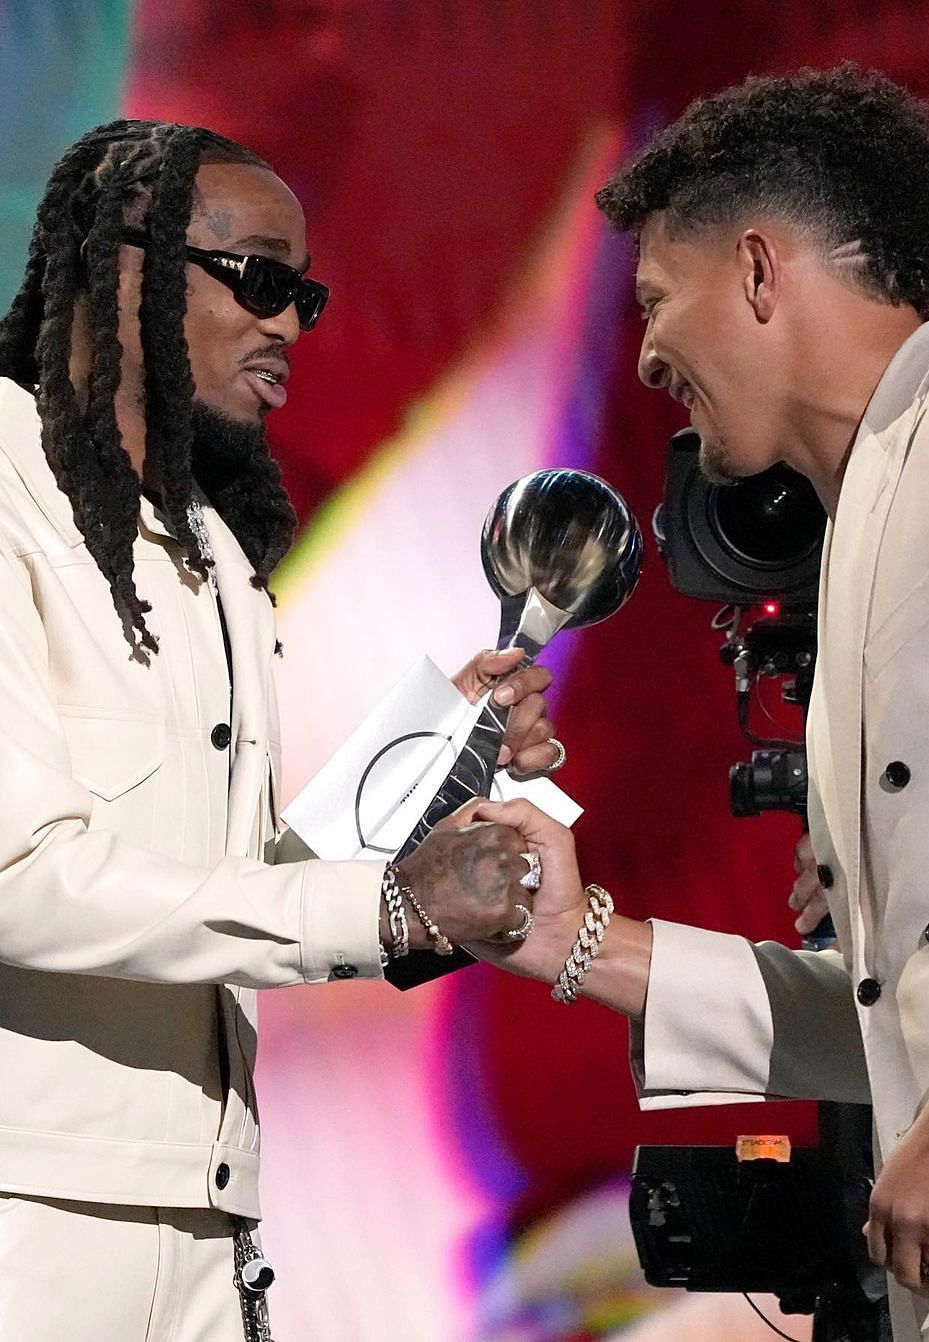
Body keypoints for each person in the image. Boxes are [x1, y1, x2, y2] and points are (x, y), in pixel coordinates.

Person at [463, 65, 929, 1341]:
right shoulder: (871, 511)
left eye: (652, 300)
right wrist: (580, 941)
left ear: (757, 270)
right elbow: (907, 1004)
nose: (639, 353)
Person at [0, 119, 563, 1341]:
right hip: (26, 1215)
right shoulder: (3, 486)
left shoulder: (216, 558)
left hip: (210, 1219)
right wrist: (386, 906)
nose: (292, 324)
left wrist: (438, 755)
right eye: (259, 280)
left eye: (303, 293)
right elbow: (19, 876)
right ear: (129, 269)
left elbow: (244, 899)